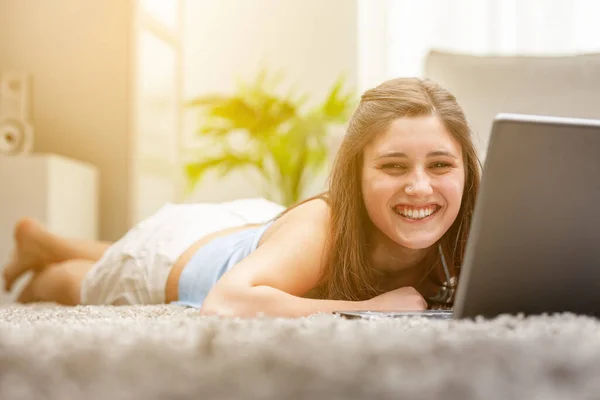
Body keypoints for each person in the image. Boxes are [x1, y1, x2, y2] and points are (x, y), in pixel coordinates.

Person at [2, 77, 481, 317]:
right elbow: (226, 300)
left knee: (279, 258)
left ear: (467, 171)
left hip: (255, 228)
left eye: (440, 165)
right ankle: (48, 266)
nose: (420, 186)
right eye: (394, 166)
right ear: (354, 175)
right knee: (86, 283)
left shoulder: (476, 226)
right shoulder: (323, 227)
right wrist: (370, 307)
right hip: (176, 259)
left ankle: (47, 241)